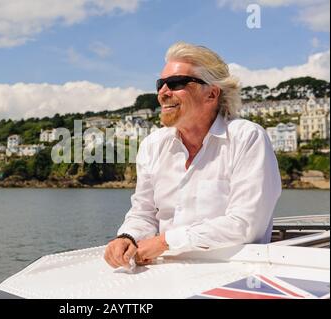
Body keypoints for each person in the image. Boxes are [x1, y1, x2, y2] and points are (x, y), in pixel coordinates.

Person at [104, 42, 282, 269]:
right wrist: (127, 237)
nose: (163, 92)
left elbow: (246, 225)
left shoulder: (247, 138)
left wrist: (165, 241)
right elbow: (144, 212)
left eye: (176, 83)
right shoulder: (152, 145)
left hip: (235, 273)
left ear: (211, 93)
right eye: (161, 84)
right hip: (162, 272)